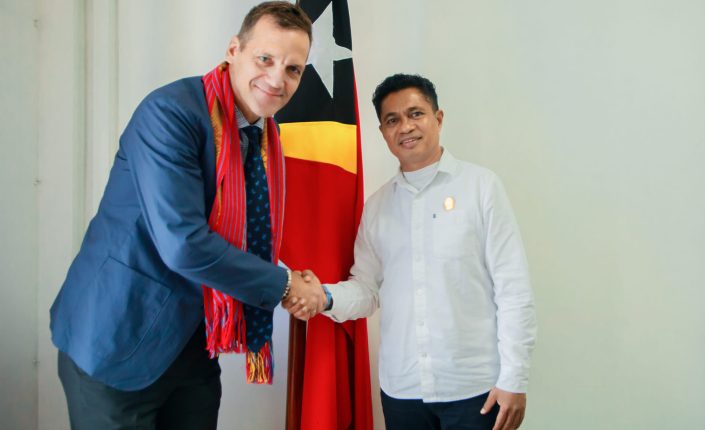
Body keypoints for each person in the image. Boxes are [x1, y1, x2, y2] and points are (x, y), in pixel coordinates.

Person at [50, 2, 327, 429]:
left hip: (193, 346)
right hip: (117, 336)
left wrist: (292, 278)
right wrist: (286, 285)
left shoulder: (264, 136)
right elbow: (183, 244)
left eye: (293, 69)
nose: (277, 79)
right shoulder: (171, 113)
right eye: (265, 59)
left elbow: (243, 231)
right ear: (234, 49)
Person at [291, 74, 537, 430]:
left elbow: (513, 290)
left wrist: (514, 378)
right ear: (383, 132)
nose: (405, 127)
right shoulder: (377, 206)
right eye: (392, 120)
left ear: (438, 118)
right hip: (403, 391)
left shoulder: (481, 188)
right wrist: (323, 296)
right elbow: (366, 290)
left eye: (416, 113)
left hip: (476, 390)